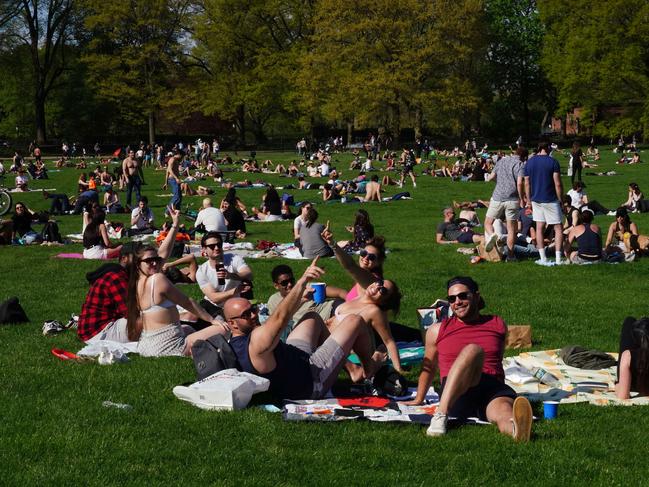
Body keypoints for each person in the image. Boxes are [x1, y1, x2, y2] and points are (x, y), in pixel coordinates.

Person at [226, 260, 381, 399]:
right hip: (311, 378)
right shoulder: (257, 342)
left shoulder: (234, 342)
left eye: (253, 308)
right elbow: (280, 317)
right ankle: (368, 369)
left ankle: (352, 369)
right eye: (246, 314)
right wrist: (302, 281)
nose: (254, 315)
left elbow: (279, 317)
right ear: (232, 323)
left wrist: (301, 299)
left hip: (294, 358)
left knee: (311, 317)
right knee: (355, 320)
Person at [403, 276, 532, 441]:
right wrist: (418, 399)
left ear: (476, 297)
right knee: (473, 350)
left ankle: (516, 431)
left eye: (463, 296)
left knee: (503, 412)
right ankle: (440, 415)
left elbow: (496, 360)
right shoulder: (437, 330)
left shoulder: (497, 324)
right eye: (452, 299)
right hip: (456, 392)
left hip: (491, 388)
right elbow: (429, 367)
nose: (457, 302)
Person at [77, 211, 182, 343]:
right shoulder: (116, 277)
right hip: (98, 333)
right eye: (137, 256)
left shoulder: (130, 273)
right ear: (124, 258)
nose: (141, 260)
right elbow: (132, 314)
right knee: (156, 316)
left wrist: (175, 226)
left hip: (110, 324)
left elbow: (161, 256)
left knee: (162, 314)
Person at [126, 245, 230, 357]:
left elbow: (165, 250)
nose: (155, 263)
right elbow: (187, 302)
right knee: (224, 329)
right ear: (138, 263)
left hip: (147, 345)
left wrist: (174, 228)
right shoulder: (157, 279)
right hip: (168, 347)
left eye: (157, 260)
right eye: (149, 261)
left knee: (188, 328)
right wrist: (212, 320)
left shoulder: (136, 283)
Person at [523, 141, 565, 265]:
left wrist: (529, 200)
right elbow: (557, 183)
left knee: (539, 228)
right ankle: (558, 258)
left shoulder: (530, 162)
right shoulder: (553, 162)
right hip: (551, 199)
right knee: (558, 228)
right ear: (547, 148)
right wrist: (561, 199)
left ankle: (543, 258)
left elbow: (527, 183)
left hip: (536, 199)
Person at [266, 264, 339, 334]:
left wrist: (350, 300)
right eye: (284, 283)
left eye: (291, 280)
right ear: (276, 285)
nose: (290, 284)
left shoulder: (307, 287)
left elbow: (340, 292)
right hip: (313, 328)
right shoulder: (273, 301)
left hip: (332, 310)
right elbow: (275, 325)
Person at [483, 146, 527, 260]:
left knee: (488, 222)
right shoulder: (520, 164)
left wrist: (500, 183)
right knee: (511, 229)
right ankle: (511, 256)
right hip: (512, 199)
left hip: (498, 197)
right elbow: (519, 184)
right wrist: (522, 198)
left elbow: (491, 177)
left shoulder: (501, 160)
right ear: (523, 157)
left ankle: (492, 235)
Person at [196, 232, 253, 317]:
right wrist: (234, 291)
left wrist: (230, 275)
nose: (216, 248)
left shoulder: (233, 258)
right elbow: (214, 298)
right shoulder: (202, 271)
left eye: (219, 244)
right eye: (212, 246)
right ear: (204, 249)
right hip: (213, 306)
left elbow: (249, 274)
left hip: (235, 304)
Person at [616, 317, 649, 399]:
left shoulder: (628, 356)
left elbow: (622, 397)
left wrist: (617, 387)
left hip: (630, 384)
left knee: (629, 321)